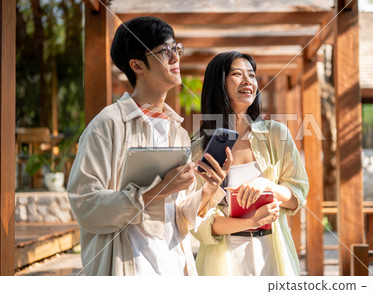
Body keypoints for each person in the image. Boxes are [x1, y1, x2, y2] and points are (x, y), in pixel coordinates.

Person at [67, 17, 231, 276]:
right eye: (165, 51)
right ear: (137, 65)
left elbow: (177, 216)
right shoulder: (108, 124)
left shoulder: (177, 132)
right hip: (130, 267)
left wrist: (209, 189)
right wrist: (156, 191)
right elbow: (84, 205)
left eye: (177, 48)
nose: (175, 57)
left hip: (174, 267)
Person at [191, 51, 309, 276]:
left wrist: (267, 185)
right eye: (237, 74)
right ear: (219, 83)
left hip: (273, 254)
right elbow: (201, 221)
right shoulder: (199, 148)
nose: (248, 81)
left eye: (252, 75)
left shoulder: (276, 134)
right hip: (223, 261)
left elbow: (297, 197)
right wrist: (251, 222)